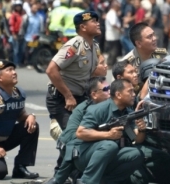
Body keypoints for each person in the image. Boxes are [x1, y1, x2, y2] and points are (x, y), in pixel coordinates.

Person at [45, 10, 101, 173]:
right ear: (83, 27)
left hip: (80, 98)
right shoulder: (74, 45)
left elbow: (85, 73)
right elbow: (51, 70)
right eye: (93, 21)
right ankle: (60, 173)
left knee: (84, 132)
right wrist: (68, 95)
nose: (98, 23)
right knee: (73, 135)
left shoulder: (93, 46)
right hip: (62, 98)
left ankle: (68, 171)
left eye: (98, 21)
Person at [112, 61, 170, 184]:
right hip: (122, 151)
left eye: (135, 71)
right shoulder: (117, 102)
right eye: (130, 72)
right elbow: (134, 138)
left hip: (138, 143)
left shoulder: (133, 97)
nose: (135, 75)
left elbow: (136, 136)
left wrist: (141, 127)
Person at [73, 79, 146, 184]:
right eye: (130, 91)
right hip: (85, 156)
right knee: (110, 145)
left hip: (107, 156)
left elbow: (136, 139)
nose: (134, 94)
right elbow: (80, 133)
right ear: (118, 94)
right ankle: (86, 181)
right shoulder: (99, 109)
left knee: (136, 154)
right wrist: (108, 135)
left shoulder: (127, 112)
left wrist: (142, 129)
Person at [46, 77, 110, 184]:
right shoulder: (83, 109)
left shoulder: (111, 105)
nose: (109, 92)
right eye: (105, 89)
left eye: (110, 88)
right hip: (73, 149)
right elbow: (69, 138)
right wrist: (102, 135)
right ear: (94, 94)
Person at [120, 22, 167, 100]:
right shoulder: (127, 63)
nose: (154, 38)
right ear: (138, 43)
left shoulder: (162, 55)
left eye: (154, 34)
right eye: (149, 37)